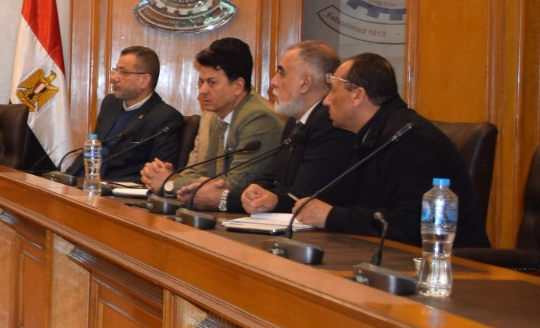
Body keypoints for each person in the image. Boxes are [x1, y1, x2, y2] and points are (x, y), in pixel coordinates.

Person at [292, 53, 489, 247]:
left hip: (449, 261)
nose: (326, 101)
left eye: (333, 91)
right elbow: (347, 201)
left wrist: (332, 216)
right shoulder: (369, 134)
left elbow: (409, 226)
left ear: (357, 95)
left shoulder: (410, 139)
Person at [140, 37, 281, 211]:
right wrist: (170, 178)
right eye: (201, 82)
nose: (202, 91)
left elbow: (235, 184)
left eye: (211, 83)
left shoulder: (259, 118)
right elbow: (198, 171)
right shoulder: (212, 115)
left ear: (238, 85)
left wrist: (168, 183)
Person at [240, 41, 357, 214]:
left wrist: (226, 198)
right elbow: (273, 177)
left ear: (305, 83)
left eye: (281, 73)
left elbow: (306, 195)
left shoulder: (329, 123)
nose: (273, 82)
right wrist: (255, 190)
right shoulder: (295, 121)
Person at [77, 46, 184, 181]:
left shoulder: (165, 118)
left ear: (144, 80)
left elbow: (157, 175)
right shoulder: (110, 103)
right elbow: (94, 150)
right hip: (85, 181)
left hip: (115, 187)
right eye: (115, 70)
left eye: (123, 72)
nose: (114, 78)